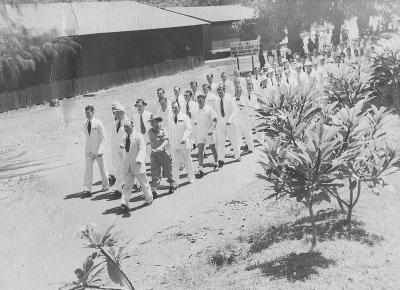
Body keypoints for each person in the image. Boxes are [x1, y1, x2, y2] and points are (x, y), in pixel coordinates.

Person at [120, 120, 153, 211]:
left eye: (128, 126)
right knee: (127, 185)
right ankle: (124, 203)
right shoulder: (124, 137)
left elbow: (142, 149)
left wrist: (139, 159)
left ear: (132, 126)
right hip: (128, 166)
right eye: (125, 127)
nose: (126, 128)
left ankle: (149, 198)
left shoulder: (138, 136)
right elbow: (125, 150)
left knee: (143, 183)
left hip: (137, 164)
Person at [82, 105, 109, 197]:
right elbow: (88, 138)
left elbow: (104, 137)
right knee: (88, 171)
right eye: (86, 113)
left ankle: (105, 185)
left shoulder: (98, 123)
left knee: (102, 169)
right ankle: (87, 189)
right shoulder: (84, 123)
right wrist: (88, 150)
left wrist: (101, 149)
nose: (87, 115)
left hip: (98, 151)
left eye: (88, 113)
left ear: (93, 113)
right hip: (89, 152)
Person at [148, 116, 177, 198]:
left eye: (153, 121)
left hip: (163, 153)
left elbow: (166, 140)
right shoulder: (150, 131)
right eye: (150, 122)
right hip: (154, 155)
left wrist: (161, 146)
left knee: (167, 170)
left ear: (157, 122)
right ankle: (154, 190)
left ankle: (172, 184)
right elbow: (151, 140)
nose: (151, 123)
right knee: (154, 172)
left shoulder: (163, 130)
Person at [215, 83, 240, 167]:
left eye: (221, 91)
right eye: (218, 92)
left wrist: (229, 120)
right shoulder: (217, 100)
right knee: (221, 142)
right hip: (221, 124)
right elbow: (217, 112)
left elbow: (234, 111)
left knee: (233, 140)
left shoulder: (229, 98)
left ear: (224, 90)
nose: (220, 94)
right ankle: (221, 159)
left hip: (230, 123)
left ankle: (237, 156)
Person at [194, 94, 219, 178]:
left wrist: (211, 129)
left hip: (209, 132)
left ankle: (216, 163)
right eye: (198, 100)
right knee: (200, 150)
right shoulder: (196, 110)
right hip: (201, 133)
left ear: (204, 100)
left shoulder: (209, 109)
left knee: (213, 149)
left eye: (201, 99)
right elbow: (197, 121)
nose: (200, 101)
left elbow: (215, 120)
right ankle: (201, 168)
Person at [171, 101, 195, 184]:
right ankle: (175, 181)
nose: (174, 109)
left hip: (184, 143)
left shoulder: (184, 117)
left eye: (175, 107)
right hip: (175, 144)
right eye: (173, 107)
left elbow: (189, 129)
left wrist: (184, 138)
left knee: (188, 161)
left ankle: (191, 177)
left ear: (179, 108)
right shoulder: (170, 117)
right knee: (175, 163)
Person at [110, 104, 127, 196]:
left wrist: (123, 144)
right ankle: (119, 188)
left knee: (125, 168)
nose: (118, 115)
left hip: (125, 149)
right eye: (116, 113)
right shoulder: (114, 124)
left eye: (120, 113)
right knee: (120, 168)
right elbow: (113, 138)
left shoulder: (127, 123)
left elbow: (130, 136)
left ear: (123, 113)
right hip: (116, 150)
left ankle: (119, 189)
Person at [234, 84, 254, 153]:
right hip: (237, 120)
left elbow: (250, 108)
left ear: (241, 91)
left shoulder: (245, 98)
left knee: (247, 134)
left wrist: (243, 109)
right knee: (238, 136)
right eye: (236, 91)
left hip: (245, 119)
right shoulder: (233, 99)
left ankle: (251, 148)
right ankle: (238, 151)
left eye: (238, 91)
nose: (237, 92)